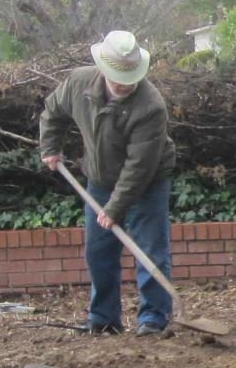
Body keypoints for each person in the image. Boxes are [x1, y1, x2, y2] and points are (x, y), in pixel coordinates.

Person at [40, 30, 177, 336]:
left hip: (148, 181)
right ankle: (103, 317)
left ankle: (154, 318)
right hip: (100, 178)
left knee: (150, 249)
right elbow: (53, 112)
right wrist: (50, 146)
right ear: (103, 69)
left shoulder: (150, 106)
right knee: (98, 250)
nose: (123, 84)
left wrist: (115, 207)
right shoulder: (78, 83)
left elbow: (139, 167)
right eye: (117, 76)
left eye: (129, 78)